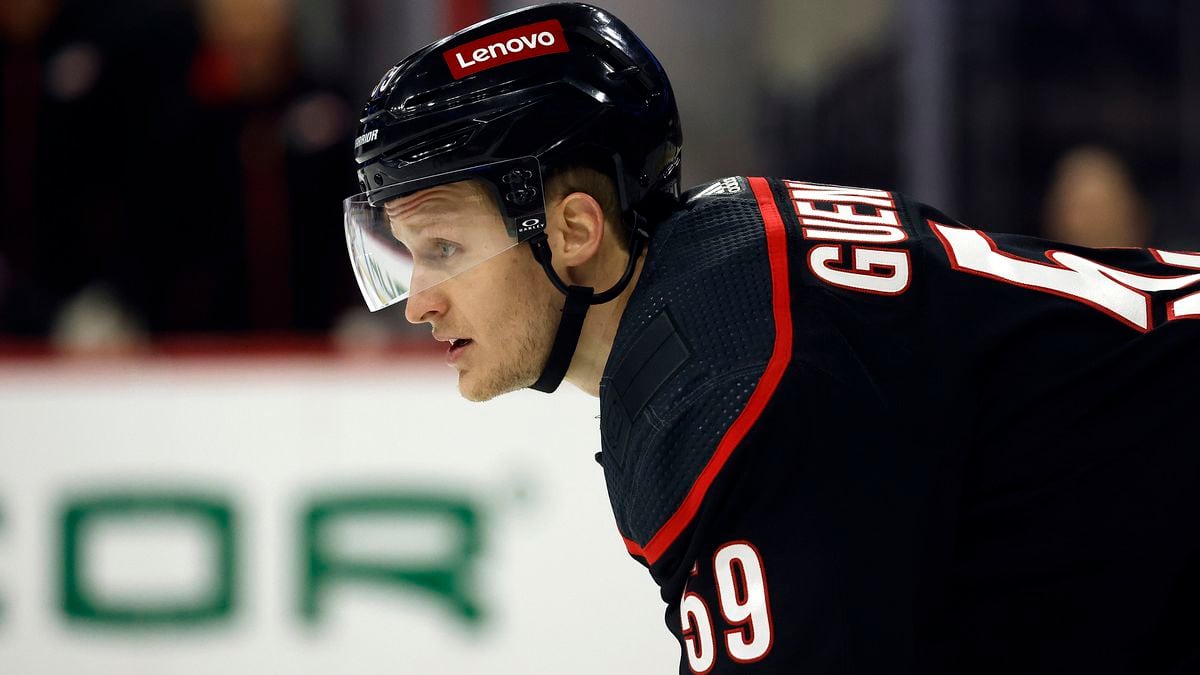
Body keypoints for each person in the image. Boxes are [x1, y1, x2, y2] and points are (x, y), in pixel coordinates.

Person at [341, 4, 1200, 673]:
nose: (416, 303)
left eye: (443, 250)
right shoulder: (730, 270)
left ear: (573, 230)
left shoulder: (720, 379)